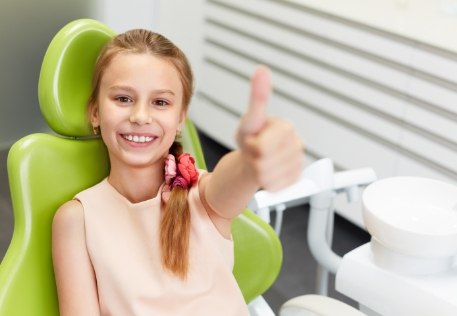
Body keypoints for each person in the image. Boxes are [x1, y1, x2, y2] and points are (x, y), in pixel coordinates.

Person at [52, 28, 304, 316]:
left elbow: (234, 179)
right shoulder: (77, 220)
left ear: (180, 119)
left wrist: (252, 161)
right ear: (95, 112)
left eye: (160, 102)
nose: (140, 117)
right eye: (123, 98)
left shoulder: (202, 195)